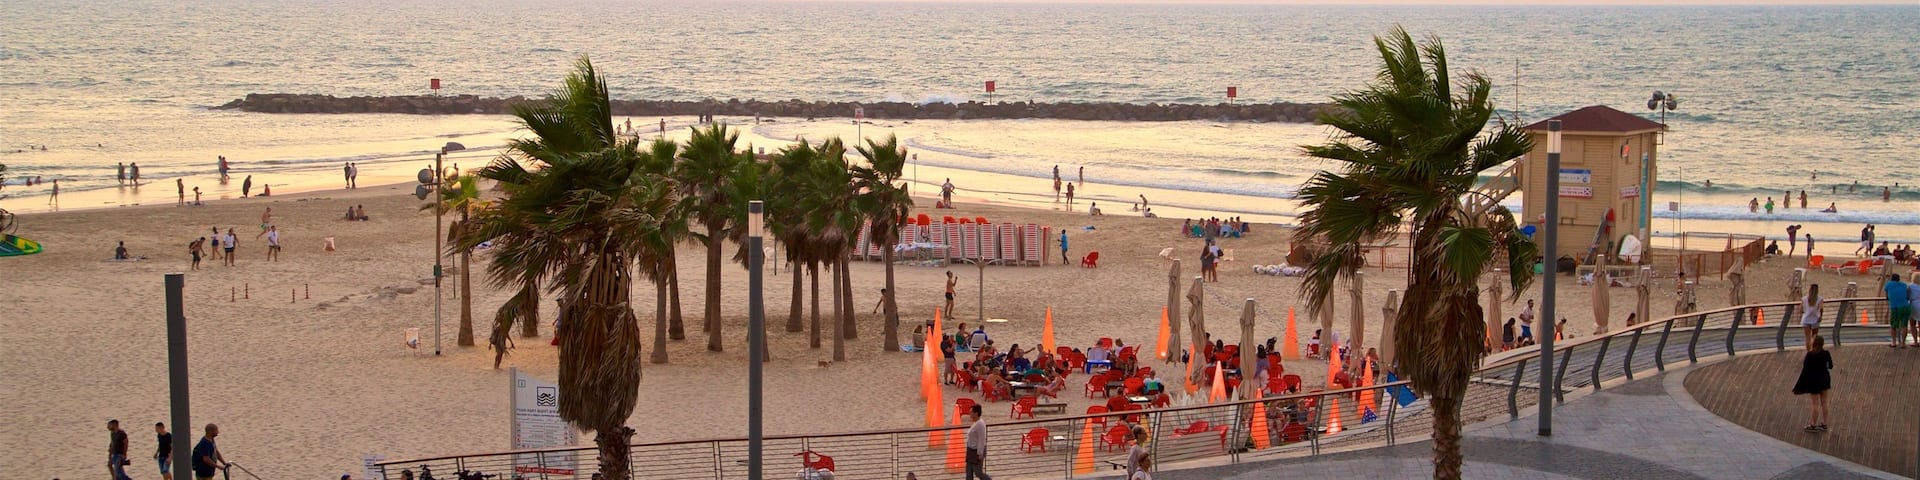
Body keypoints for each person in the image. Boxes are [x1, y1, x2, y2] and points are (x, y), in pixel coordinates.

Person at [1791, 336, 1832, 433]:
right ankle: (1824, 424)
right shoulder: (1826, 353)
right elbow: (1831, 366)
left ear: (1814, 343)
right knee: (1824, 402)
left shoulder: (1810, 355)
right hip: (1825, 379)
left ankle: (1813, 424)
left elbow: (1805, 369)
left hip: (1814, 381)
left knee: (1815, 403)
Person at [964, 404, 991, 480]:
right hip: (971, 450)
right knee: (968, 472)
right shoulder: (976, 423)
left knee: (978, 472)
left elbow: (982, 439)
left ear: (976, 413)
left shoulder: (980, 424)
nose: (969, 413)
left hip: (976, 451)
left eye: (971, 412)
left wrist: (980, 453)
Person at [1887, 274, 1911, 348]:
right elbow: (1907, 295)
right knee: (1904, 325)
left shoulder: (1888, 284)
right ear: (1899, 279)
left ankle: (1894, 342)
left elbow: (1887, 296)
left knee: (1893, 325)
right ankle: (1903, 343)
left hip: (1895, 307)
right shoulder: (1904, 285)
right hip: (1905, 306)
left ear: (1891, 279)